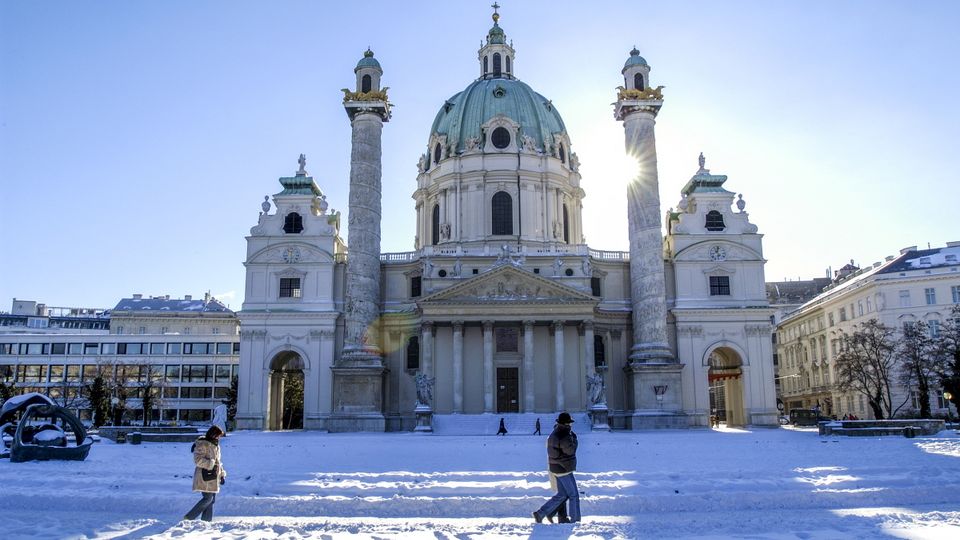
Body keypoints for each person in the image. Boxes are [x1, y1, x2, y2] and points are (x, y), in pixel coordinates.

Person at [532, 412, 580, 524]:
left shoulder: (554, 432)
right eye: (570, 423)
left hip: (556, 468)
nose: (571, 425)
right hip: (564, 469)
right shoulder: (564, 435)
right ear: (567, 423)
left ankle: (540, 513)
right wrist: (575, 440)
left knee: (562, 495)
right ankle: (575, 520)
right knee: (573, 495)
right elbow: (570, 450)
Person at [183, 425, 227, 521]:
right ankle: (189, 517)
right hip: (204, 475)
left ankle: (206, 522)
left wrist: (222, 475)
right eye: (218, 435)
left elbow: (218, 462)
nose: (219, 438)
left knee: (211, 500)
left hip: (214, 476)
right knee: (208, 499)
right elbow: (197, 460)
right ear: (213, 434)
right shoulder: (203, 444)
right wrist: (210, 464)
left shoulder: (216, 445)